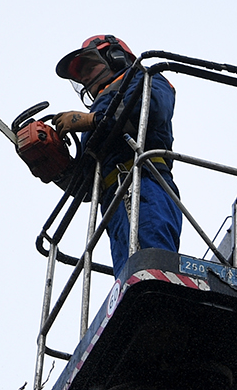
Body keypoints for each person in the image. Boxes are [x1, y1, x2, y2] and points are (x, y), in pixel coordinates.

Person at [48, 34, 182, 278]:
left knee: (152, 267)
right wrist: (55, 167)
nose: (86, 77)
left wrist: (92, 120)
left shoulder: (146, 77)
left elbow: (150, 110)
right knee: (129, 275)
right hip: (112, 202)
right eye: (81, 76)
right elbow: (87, 189)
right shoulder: (96, 114)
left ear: (116, 57)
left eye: (89, 67)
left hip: (146, 184)